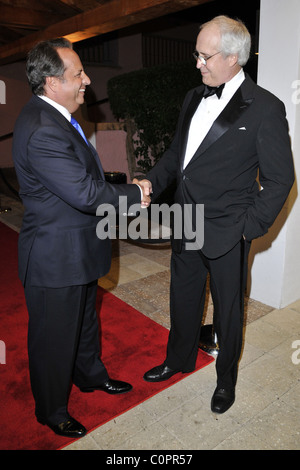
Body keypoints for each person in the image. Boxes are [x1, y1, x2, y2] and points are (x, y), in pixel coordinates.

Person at [137, 16, 294, 414]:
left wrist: (249, 228)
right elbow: (178, 156)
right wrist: (149, 182)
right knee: (182, 297)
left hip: (229, 229)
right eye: (197, 54)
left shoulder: (265, 108)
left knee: (229, 310)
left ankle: (226, 380)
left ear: (233, 58)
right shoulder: (193, 97)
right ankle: (178, 359)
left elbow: (280, 179)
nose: (197, 63)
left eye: (204, 56)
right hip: (186, 220)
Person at [12, 38, 150, 438]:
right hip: (55, 259)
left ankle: (90, 376)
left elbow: (84, 179)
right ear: (53, 82)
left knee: (85, 323)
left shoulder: (57, 116)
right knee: (54, 339)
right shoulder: (42, 128)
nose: (87, 80)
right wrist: (135, 193)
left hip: (78, 249)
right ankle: (51, 409)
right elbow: (86, 194)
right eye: (78, 75)